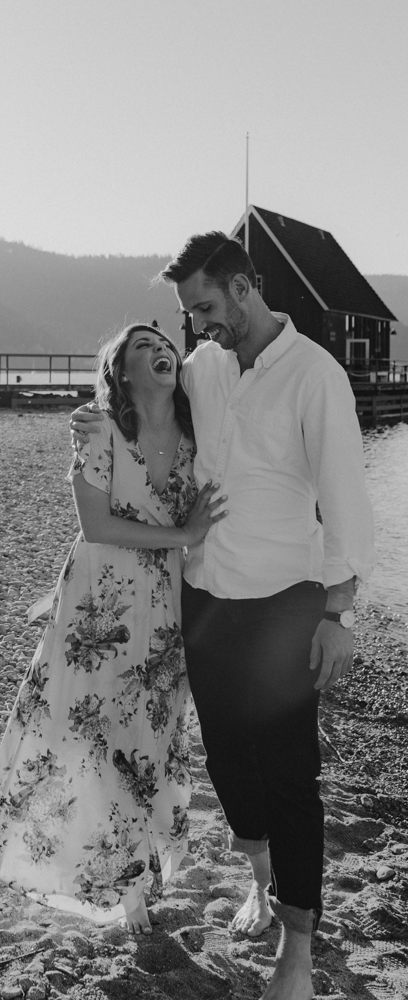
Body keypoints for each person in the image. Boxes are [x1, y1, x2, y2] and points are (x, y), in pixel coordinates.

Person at [70, 234, 374, 1000]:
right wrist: (93, 422)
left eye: (205, 307)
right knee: (228, 763)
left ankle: (297, 953)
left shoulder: (316, 376)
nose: (198, 325)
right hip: (203, 600)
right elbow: (139, 416)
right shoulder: (203, 367)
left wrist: (338, 611)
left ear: (246, 287)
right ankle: (261, 881)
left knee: (292, 776)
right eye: (188, 313)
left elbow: (346, 498)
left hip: (285, 602)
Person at [0, 323, 227, 935]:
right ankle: (127, 889)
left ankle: (141, 872)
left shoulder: (200, 435)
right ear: (120, 374)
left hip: (165, 608)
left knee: (152, 735)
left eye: (164, 341)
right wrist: (184, 536)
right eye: (142, 347)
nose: (160, 349)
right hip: (100, 609)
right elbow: (95, 525)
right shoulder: (102, 429)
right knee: (95, 732)